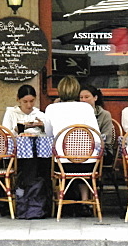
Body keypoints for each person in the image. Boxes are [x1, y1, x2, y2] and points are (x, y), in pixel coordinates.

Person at [44, 75, 101, 209]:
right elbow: (96, 135)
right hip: (88, 162)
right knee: (86, 162)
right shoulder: (86, 108)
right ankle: (85, 201)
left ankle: (60, 201)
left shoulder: (51, 109)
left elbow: (48, 134)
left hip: (63, 163)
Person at [79, 84, 116, 153]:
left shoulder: (104, 115)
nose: (83, 100)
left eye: (87, 97)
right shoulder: (76, 114)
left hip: (101, 150)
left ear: (95, 98)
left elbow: (107, 139)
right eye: (81, 97)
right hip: (79, 149)